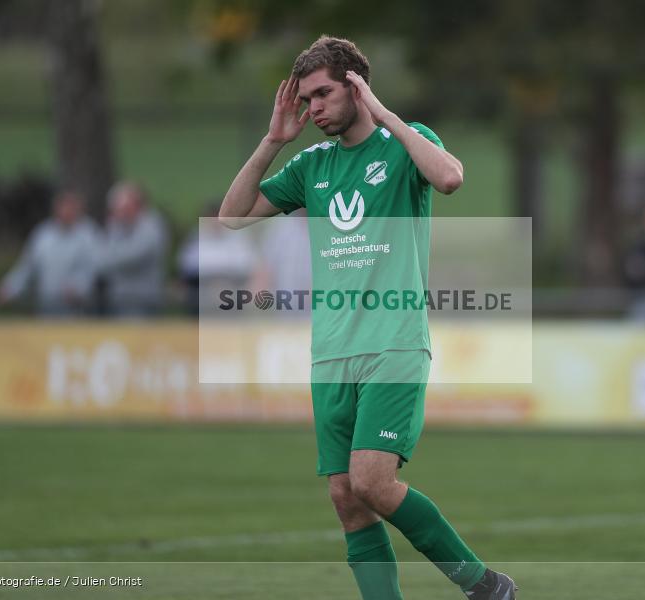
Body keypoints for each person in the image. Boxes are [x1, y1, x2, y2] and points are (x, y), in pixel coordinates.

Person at [218, 36, 515, 599]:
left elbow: (450, 178)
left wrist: (385, 115)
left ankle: (484, 585)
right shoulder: (311, 166)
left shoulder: (405, 144)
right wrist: (273, 141)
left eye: (323, 94)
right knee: (346, 498)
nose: (313, 108)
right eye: (306, 98)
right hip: (332, 353)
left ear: (356, 88)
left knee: (372, 481)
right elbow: (230, 218)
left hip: (393, 346)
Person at [0, 189, 100, 316]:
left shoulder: (89, 235)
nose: (67, 211)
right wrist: (10, 288)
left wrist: (79, 288)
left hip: (79, 313)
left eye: (71, 207)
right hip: (46, 311)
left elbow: (93, 269)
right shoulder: (43, 234)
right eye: (63, 206)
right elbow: (27, 267)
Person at [97, 181, 169, 317]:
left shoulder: (152, 226)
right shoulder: (116, 226)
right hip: (118, 298)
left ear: (137, 204)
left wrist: (110, 257)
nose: (119, 212)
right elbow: (101, 261)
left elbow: (132, 257)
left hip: (143, 300)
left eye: (123, 206)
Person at [177, 202, 259, 315]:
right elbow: (188, 266)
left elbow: (248, 266)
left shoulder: (239, 238)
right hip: (202, 289)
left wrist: (223, 281)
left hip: (232, 289)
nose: (215, 223)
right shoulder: (197, 237)